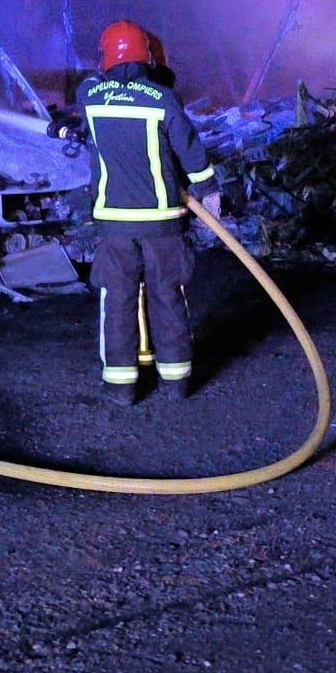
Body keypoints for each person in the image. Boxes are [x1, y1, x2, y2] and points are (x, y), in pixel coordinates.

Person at [75, 20, 220, 403]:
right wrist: (208, 191)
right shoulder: (163, 99)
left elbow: (88, 92)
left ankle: (121, 386)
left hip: (114, 224)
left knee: (118, 300)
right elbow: (191, 153)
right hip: (162, 223)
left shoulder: (90, 97)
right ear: (149, 57)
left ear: (105, 58)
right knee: (167, 295)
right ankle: (175, 381)